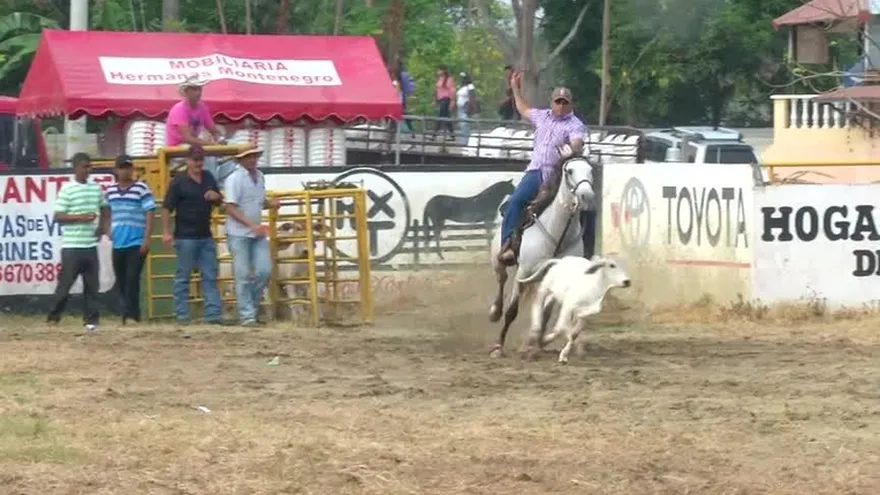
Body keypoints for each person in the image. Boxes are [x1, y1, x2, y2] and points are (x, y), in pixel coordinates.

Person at [498, 73, 587, 264]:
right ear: (552, 102)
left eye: (565, 102)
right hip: (536, 171)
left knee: (585, 206)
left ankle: (584, 253)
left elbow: (577, 142)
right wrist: (515, 88)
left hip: (557, 175)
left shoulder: (575, 124)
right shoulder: (541, 116)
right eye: (558, 102)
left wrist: (573, 149)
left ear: (571, 104)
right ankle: (508, 245)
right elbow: (523, 108)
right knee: (516, 201)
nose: (561, 106)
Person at [161, 145, 228, 326]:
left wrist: (216, 196)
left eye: (200, 159)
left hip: (204, 234)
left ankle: (212, 315)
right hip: (185, 236)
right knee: (184, 277)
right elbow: (167, 207)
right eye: (195, 159)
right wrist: (167, 232)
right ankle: (182, 315)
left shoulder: (208, 178)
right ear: (188, 161)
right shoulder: (178, 182)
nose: (198, 163)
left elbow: (219, 201)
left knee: (210, 275)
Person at [47, 152, 110, 332]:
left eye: (89, 167)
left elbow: (105, 208)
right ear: (75, 168)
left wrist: (103, 227)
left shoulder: (95, 188)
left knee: (92, 286)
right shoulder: (67, 189)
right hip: (72, 246)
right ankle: (53, 318)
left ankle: (91, 322)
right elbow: (58, 216)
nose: (87, 170)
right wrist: (81, 218)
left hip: (90, 245)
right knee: (65, 285)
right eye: (84, 167)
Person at [222, 148, 281, 326]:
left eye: (254, 156)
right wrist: (252, 225)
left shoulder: (260, 177)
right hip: (240, 233)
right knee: (243, 274)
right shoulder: (234, 179)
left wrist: (270, 204)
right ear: (240, 160)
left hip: (254, 232)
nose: (252, 159)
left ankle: (250, 310)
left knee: (264, 271)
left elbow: (258, 201)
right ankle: (248, 314)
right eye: (248, 156)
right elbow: (230, 207)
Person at [105, 154, 156, 324]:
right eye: (122, 168)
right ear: (116, 170)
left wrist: (146, 239)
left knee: (132, 279)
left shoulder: (141, 188)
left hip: (136, 241)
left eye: (128, 167)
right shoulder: (110, 191)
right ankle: (129, 314)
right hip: (118, 242)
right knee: (121, 280)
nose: (125, 171)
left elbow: (150, 212)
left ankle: (131, 315)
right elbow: (106, 211)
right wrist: (107, 230)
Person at [166, 75, 233, 183]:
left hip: (193, 146)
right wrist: (211, 145)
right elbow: (187, 138)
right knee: (207, 153)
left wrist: (220, 139)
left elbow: (213, 129)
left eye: (199, 89)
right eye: (194, 89)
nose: (198, 92)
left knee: (232, 147)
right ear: (186, 91)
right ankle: (210, 183)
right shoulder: (179, 109)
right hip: (177, 150)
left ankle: (221, 181)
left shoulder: (202, 107)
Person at [433, 65, 456, 140]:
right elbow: (437, 90)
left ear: (443, 71)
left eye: (439, 70)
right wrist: (435, 100)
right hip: (440, 100)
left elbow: (452, 90)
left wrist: (452, 101)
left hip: (446, 100)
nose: (438, 72)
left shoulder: (449, 79)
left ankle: (434, 134)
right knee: (446, 117)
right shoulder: (440, 79)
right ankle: (452, 135)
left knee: (440, 116)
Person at [456, 72, 480, 145]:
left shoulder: (470, 86)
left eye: (463, 78)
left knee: (465, 125)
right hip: (460, 108)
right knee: (462, 125)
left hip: (466, 108)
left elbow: (472, 98)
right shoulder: (462, 87)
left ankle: (465, 142)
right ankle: (464, 141)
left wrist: (470, 109)